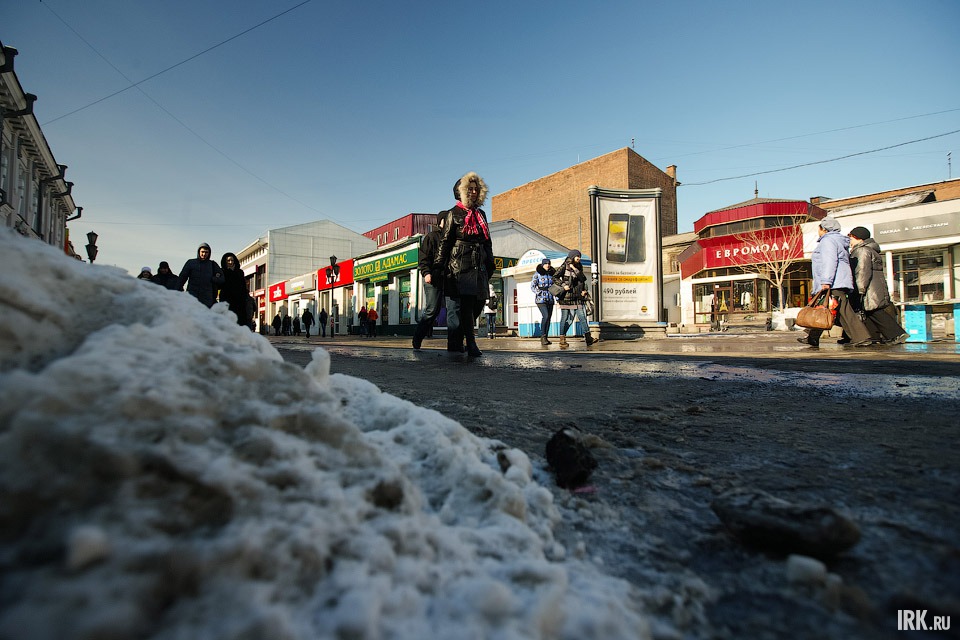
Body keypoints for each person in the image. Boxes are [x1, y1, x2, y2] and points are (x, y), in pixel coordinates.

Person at [435, 171, 495, 357]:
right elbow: (445, 242)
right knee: (464, 306)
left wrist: (490, 262)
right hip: (459, 263)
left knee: (477, 304)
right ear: (461, 191)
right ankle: (469, 342)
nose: (474, 192)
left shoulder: (481, 215)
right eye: (470, 189)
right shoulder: (453, 213)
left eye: (477, 189)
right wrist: (438, 267)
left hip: (478, 262)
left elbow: (487, 241)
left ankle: (463, 337)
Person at [797, 218, 872, 348]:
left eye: (819, 229)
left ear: (824, 229)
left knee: (842, 310)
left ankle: (861, 337)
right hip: (837, 280)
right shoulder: (837, 240)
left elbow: (829, 261)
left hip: (833, 282)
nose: (818, 231)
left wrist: (826, 281)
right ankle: (812, 337)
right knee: (824, 308)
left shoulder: (828, 241)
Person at [848, 226, 908, 344]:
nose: (850, 241)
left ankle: (897, 333)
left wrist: (860, 288)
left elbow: (862, 271)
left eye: (851, 238)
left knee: (875, 312)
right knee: (869, 311)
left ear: (858, 238)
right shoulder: (870, 250)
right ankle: (872, 337)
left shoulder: (862, 251)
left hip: (869, 288)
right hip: (874, 287)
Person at [412, 213, 446, 350]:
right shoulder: (432, 237)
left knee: (454, 310)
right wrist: (426, 272)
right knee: (432, 310)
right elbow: (424, 257)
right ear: (441, 222)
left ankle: (456, 343)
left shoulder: (452, 238)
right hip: (433, 278)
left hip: (449, 279)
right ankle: (417, 338)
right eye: (447, 219)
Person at [554, 249, 596, 348]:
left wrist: (584, 290)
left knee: (582, 317)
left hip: (577, 297)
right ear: (572, 256)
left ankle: (588, 338)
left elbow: (582, 279)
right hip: (566, 297)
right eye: (577, 256)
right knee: (565, 318)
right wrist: (563, 285)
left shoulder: (579, 266)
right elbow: (555, 277)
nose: (579, 258)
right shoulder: (564, 265)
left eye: (579, 256)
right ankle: (562, 340)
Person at [178, 243, 225, 308]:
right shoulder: (191, 263)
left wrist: (214, 279)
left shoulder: (213, 265)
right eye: (202, 252)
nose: (204, 254)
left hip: (207, 299)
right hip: (192, 297)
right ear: (199, 252)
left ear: (209, 253)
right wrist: (178, 291)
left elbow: (222, 279)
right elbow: (181, 278)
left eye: (206, 252)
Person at [218, 252, 252, 327]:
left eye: (232, 260)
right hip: (226, 300)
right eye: (228, 260)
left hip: (239, 302)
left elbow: (243, 286)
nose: (230, 262)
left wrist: (245, 297)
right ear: (225, 261)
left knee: (239, 321)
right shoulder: (222, 272)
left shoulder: (240, 272)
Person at [530, 258, 556, 346]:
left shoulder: (552, 274)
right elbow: (532, 286)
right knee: (546, 316)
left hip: (550, 298)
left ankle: (545, 337)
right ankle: (543, 336)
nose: (547, 265)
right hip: (540, 299)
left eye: (549, 263)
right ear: (542, 264)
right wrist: (539, 292)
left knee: (549, 318)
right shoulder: (537, 274)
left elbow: (555, 286)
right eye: (546, 264)